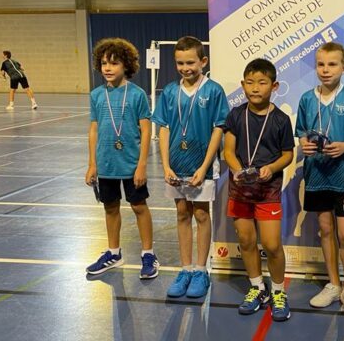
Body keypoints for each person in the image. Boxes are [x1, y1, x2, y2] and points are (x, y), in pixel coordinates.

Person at [295, 42, 344, 322]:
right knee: (325, 230)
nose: (326, 70)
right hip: (316, 176)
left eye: (332, 64)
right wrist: (305, 146)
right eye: (321, 64)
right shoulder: (306, 99)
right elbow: (302, 134)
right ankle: (333, 284)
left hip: (343, 177)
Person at [151, 36, 229, 298]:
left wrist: (205, 165)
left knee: (201, 215)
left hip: (202, 166)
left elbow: (219, 129)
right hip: (175, 165)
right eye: (180, 63)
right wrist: (165, 166)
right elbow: (162, 128)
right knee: (182, 213)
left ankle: (200, 270)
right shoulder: (170, 92)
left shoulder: (213, 91)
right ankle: (185, 269)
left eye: (191, 62)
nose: (186, 68)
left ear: (203, 61)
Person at [223, 59, 295, 322]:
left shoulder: (281, 119)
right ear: (243, 85)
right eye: (250, 82)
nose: (255, 88)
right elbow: (227, 151)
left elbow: (288, 154)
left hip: (268, 191)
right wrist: (237, 169)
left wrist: (272, 167)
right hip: (240, 189)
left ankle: (278, 292)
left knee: (273, 245)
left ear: (274, 86)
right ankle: (257, 288)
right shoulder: (235, 115)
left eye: (262, 83)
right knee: (245, 241)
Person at [85, 38, 159, 279]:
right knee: (110, 207)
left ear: (126, 65)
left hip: (130, 163)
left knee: (138, 206)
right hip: (106, 163)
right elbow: (94, 130)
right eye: (104, 63)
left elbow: (146, 130)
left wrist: (142, 165)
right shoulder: (96, 95)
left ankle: (148, 254)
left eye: (114, 63)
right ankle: (114, 253)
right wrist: (92, 164)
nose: (108, 68)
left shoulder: (137, 95)